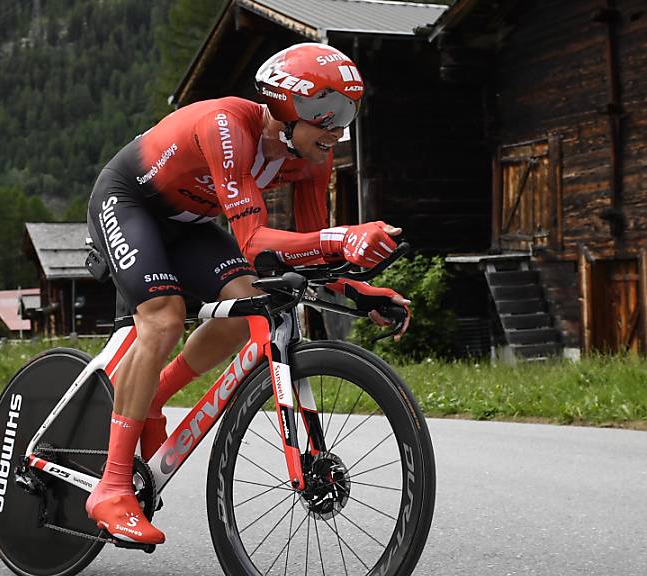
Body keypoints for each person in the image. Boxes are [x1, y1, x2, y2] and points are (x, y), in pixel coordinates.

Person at [84, 43, 411, 545]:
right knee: (165, 318)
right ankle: (110, 489)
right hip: (129, 202)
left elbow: (311, 250)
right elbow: (255, 241)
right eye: (331, 113)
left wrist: (360, 290)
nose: (339, 129)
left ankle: (154, 395)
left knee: (247, 307)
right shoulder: (227, 127)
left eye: (351, 111)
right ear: (287, 109)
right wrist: (344, 238)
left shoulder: (311, 157)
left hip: (189, 223)